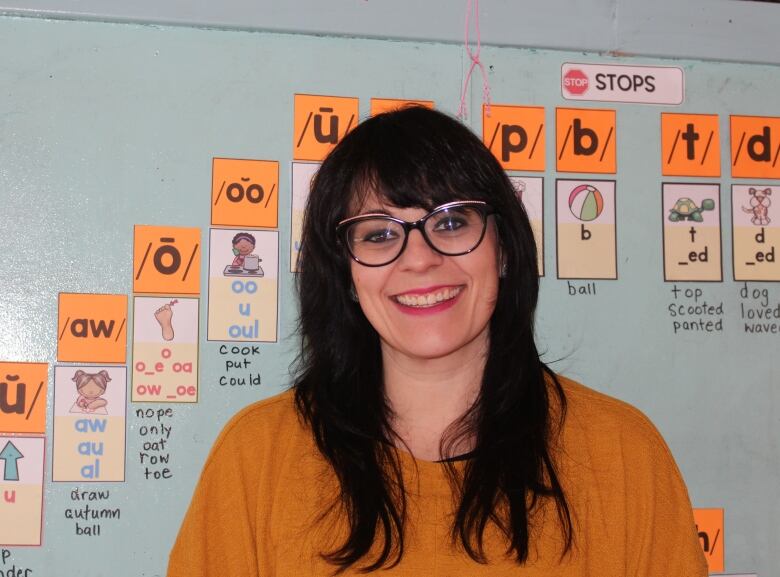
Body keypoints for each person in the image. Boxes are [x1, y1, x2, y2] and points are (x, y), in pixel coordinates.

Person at [168, 106, 707, 576]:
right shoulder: (255, 458)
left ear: (503, 249)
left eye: (450, 223)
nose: (420, 258)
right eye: (378, 233)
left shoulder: (624, 455)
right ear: (345, 275)